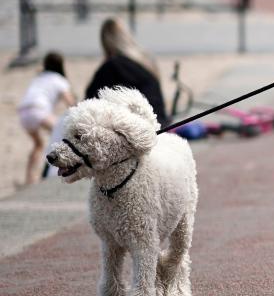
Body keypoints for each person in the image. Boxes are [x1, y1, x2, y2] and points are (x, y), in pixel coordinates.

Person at [86, 17, 167, 127]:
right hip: (160, 120)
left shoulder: (113, 66)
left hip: (143, 126)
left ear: (105, 41)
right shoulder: (145, 60)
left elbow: (90, 100)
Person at [17, 52, 75, 186]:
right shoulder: (60, 80)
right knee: (62, 132)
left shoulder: (39, 77)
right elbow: (70, 103)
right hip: (38, 110)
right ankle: (51, 173)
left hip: (24, 112)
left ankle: (29, 181)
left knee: (38, 145)